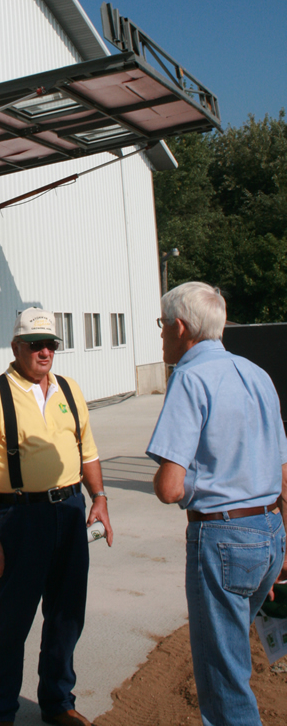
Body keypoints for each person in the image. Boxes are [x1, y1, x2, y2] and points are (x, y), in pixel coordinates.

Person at [0, 308, 113, 726]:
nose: (44, 352)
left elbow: (88, 451)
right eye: (35, 345)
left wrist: (98, 497)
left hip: (69, 511)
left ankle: (58, 702)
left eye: (50, 344)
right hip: (18, 518)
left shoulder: (69, 389)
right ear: (16, 348)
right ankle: (2, 713)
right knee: (10, 621)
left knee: (67, 614)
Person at [147, 282, 287, 726]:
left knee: (224, 677)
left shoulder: (189, 377)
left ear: (181, 327)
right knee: (235, 659)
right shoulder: (256, 373)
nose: (162, 335)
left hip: (223, 538)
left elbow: (170, 487)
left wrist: (191, 487)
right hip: (269, 532)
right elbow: (283, 472)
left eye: (162, 326)